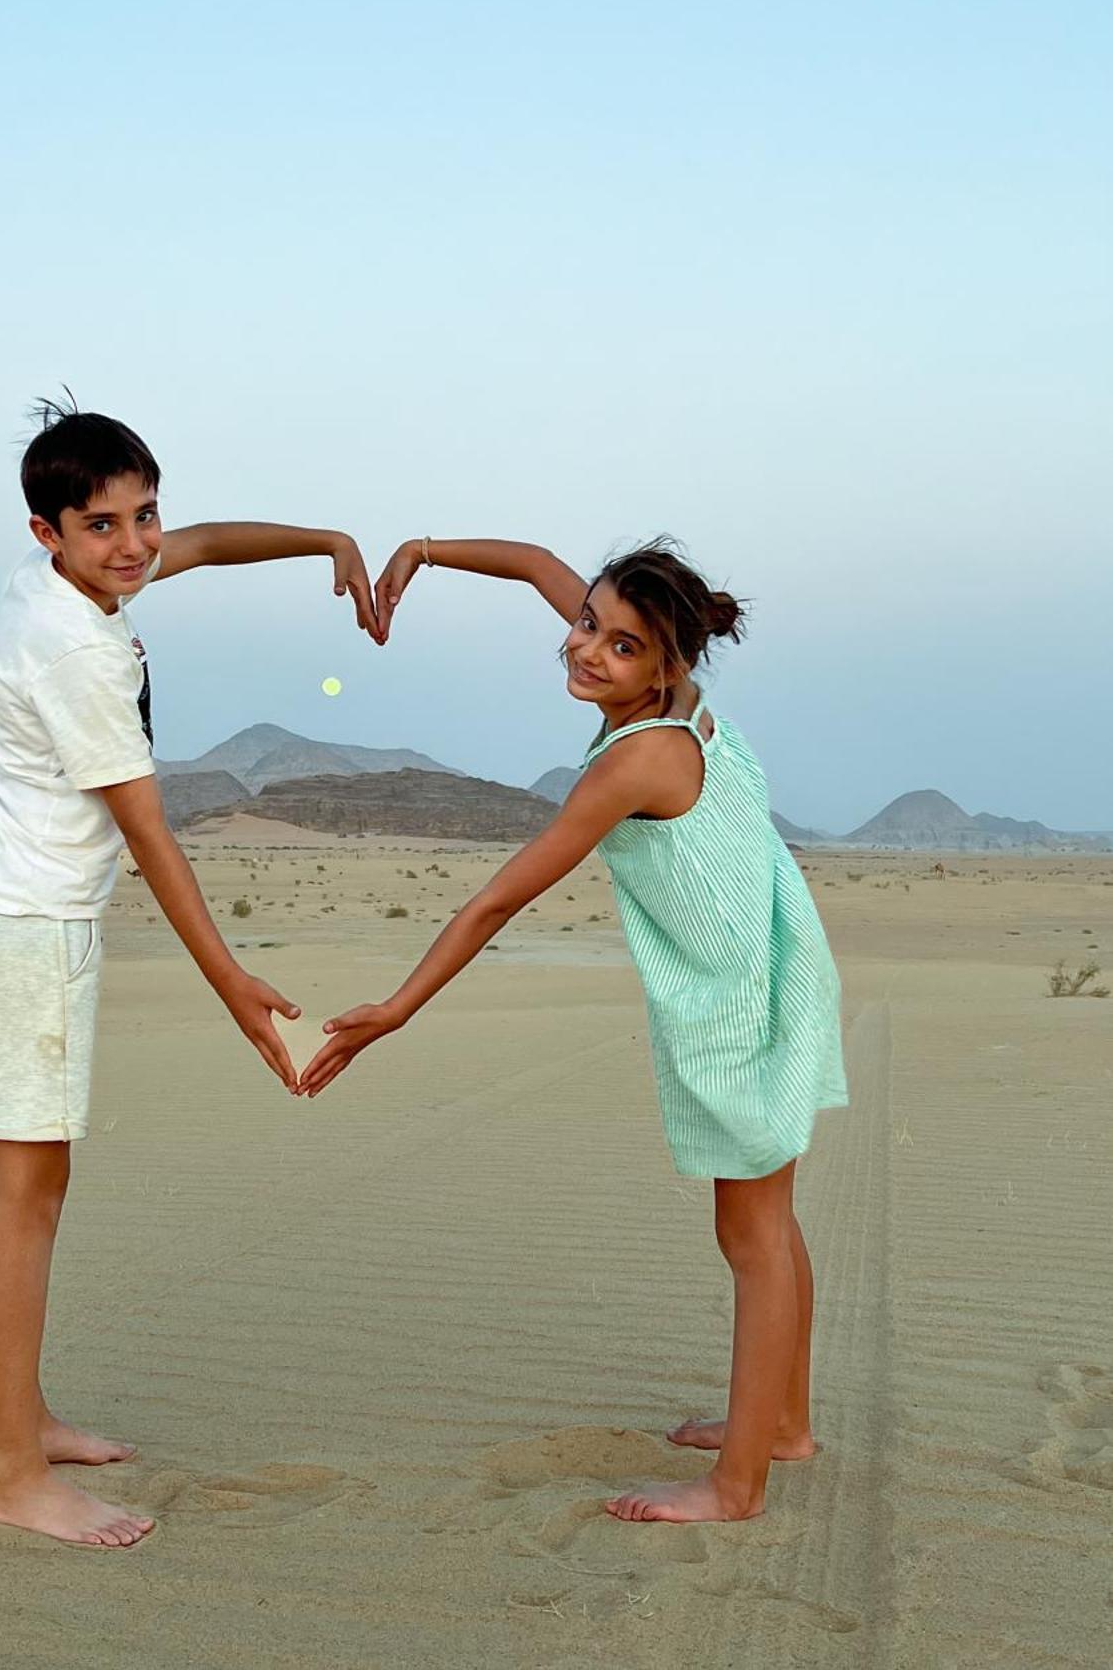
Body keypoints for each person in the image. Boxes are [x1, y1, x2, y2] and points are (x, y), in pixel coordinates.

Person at [298, 535, 847, 1525]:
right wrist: (425, 550)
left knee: (752, 1230)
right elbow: (539, 563)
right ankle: (783, 1422)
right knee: (769, 1219)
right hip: (779, 959)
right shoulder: (679, 705)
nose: (587, 648)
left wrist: (398, 1006)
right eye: (589, 622)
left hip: (738, 999)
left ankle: (738, 1485)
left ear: (668, 663)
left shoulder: (633, 761)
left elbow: (495, 902)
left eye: (621, 644)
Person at [0, 398, 379, 1548]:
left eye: (144, 513)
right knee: (21, 1196)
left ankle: (24, 1418)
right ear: (49, 532)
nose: (136, 544)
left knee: (38, 1184)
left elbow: (209, 543)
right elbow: (149, 828)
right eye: (104, 525)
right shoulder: (73, 644)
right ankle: (10, 1471)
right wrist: (229, 978)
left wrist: (321, 539)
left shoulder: (65, 581)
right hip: (24, 924)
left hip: (10, 904)